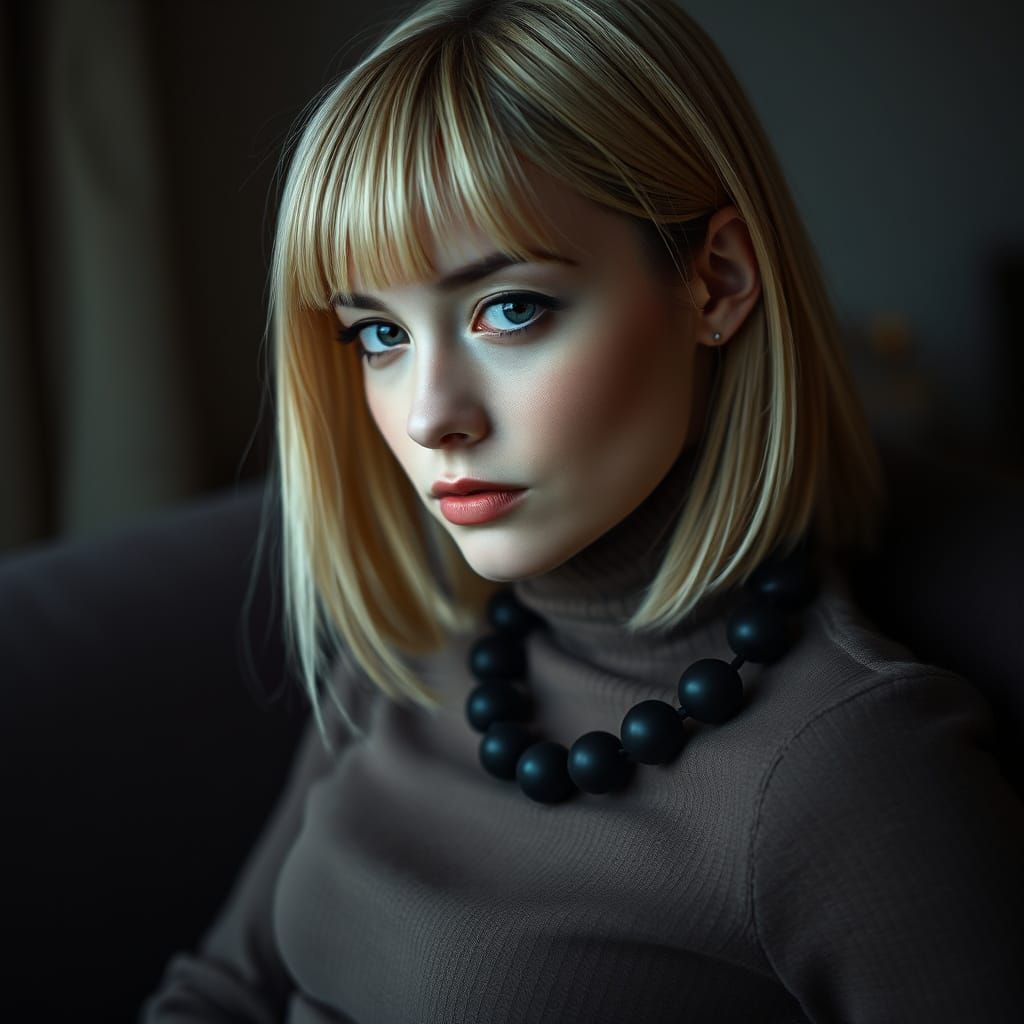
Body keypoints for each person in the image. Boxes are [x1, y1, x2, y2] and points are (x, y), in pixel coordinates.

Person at [140, 0, 1024, 1020]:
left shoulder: (849, 779)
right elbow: (222, 990)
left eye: (508, 308)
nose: (432, 416)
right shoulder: (420, 643)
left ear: (717, 281)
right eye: (377, 335)